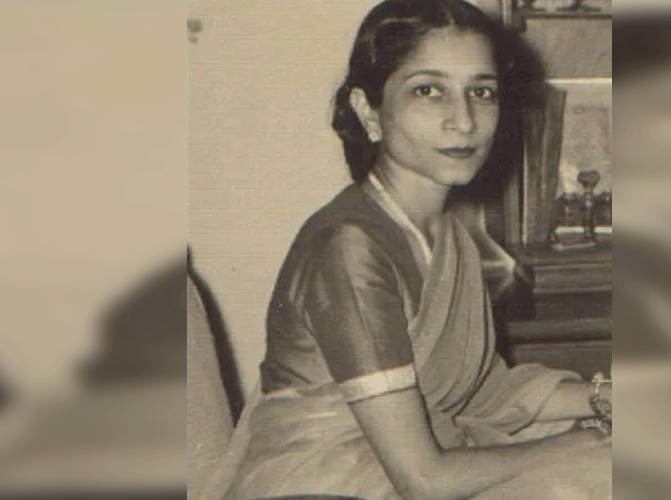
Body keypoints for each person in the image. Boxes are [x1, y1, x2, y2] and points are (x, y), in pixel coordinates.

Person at [222, 1, 611, 499]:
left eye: (481, 92)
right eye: (429, 90)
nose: (464, 121)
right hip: (327, 483)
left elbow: (483, 394)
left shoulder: (450, 237)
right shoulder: (350, 247)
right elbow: (424, 480)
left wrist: (604, 398)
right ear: (369, 111)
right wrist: (587, 443)